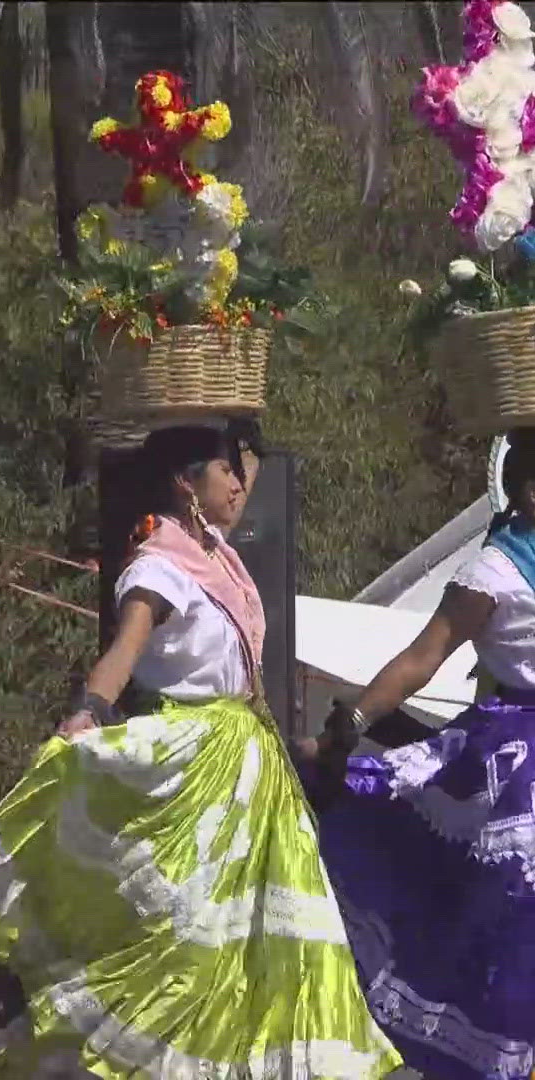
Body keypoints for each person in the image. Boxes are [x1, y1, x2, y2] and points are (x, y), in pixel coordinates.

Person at [0, 424, 400, 1079]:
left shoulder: (218, 553)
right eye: (226, 472)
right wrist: (83, 717)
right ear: (187, 483)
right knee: (188, 943)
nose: (240, 484)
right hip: (192, 766)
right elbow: (125, 652)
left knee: (255, 945)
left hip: (250, 769)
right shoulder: (159, 561)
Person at [297, 428, 535, 1080]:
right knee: (515, 914)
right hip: (520, 754)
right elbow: (423, 658)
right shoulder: (494, 572)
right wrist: (352, 723)